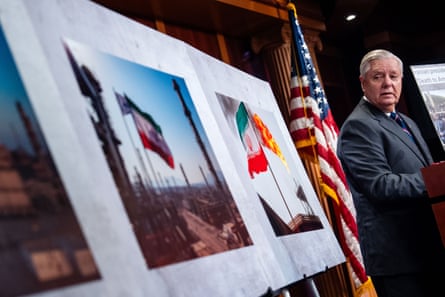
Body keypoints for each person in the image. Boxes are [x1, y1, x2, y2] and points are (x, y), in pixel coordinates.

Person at [337, 49, 445, 297]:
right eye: (378, 77)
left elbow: (423, 173)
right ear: (363, 83)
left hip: (428, 249)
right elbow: (380, 185)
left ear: (401, 81)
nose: (388, 83)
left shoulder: (406, 121)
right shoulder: (358, 126)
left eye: (394, 76)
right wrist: (435, 180)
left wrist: (436, 175)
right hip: (399, 260)